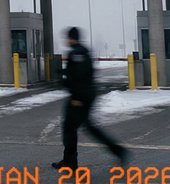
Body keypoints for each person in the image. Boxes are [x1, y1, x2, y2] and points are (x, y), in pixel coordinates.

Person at [53, 27, 127, 170]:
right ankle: (117, 151)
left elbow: (79, 76)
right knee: (87, 127)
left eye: (67, 37)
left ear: (71, 38)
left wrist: (77, 97)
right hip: (85, 94)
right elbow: (79, 72)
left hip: (80, 96)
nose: (66, 40)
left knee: (69, 127)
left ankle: (70, 161)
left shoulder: (77, 53)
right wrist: (63, 72)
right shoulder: (82, 52)